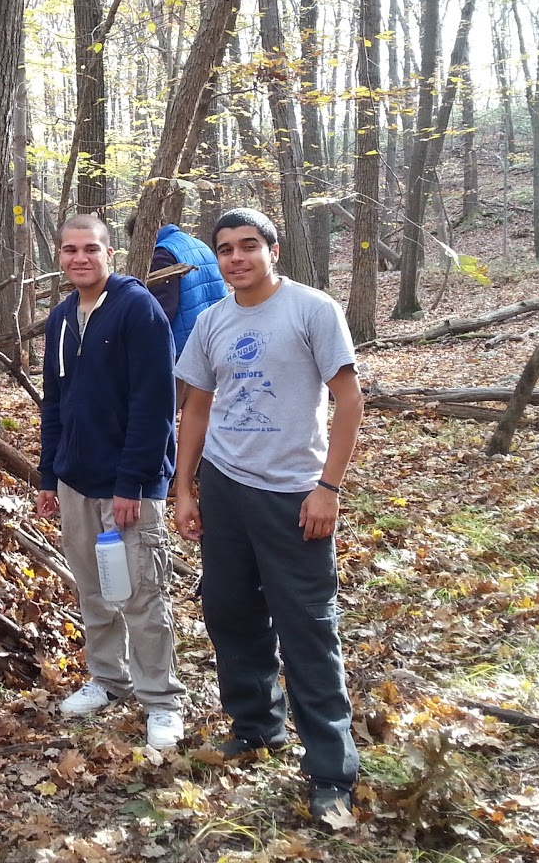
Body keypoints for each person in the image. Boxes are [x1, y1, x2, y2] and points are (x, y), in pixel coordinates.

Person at [171, 207, 363, 825]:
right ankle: (257, 725)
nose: (236, 258)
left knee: (307, 625)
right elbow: (196, 409)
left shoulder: (313, 310)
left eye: (248, 246)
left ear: (272, 249)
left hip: (292, 493)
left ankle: (331, 771)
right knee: (229, 610)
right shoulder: (211, 321)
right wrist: (186, 489)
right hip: (225, 488)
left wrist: (328, 488)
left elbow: (349, 399)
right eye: (225, 249)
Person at [37, 214, 185, 751]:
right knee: (94, 589)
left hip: (129, 486)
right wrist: (49, 474)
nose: (81, 258)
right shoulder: (60, 319)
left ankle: (162, 701)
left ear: (109, 254)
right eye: (71, 250)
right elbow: (55, 403)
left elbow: (155, 404)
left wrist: (134, 482)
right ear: (60, 256)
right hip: (76, 480)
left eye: (91, 249)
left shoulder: (136, 309)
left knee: (141, 593)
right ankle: (108, 679)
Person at [125, 213, 227, 357]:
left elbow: (161, 311)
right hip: (215, 339)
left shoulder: (162, 254)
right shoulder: (199, 244)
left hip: (184, 349)